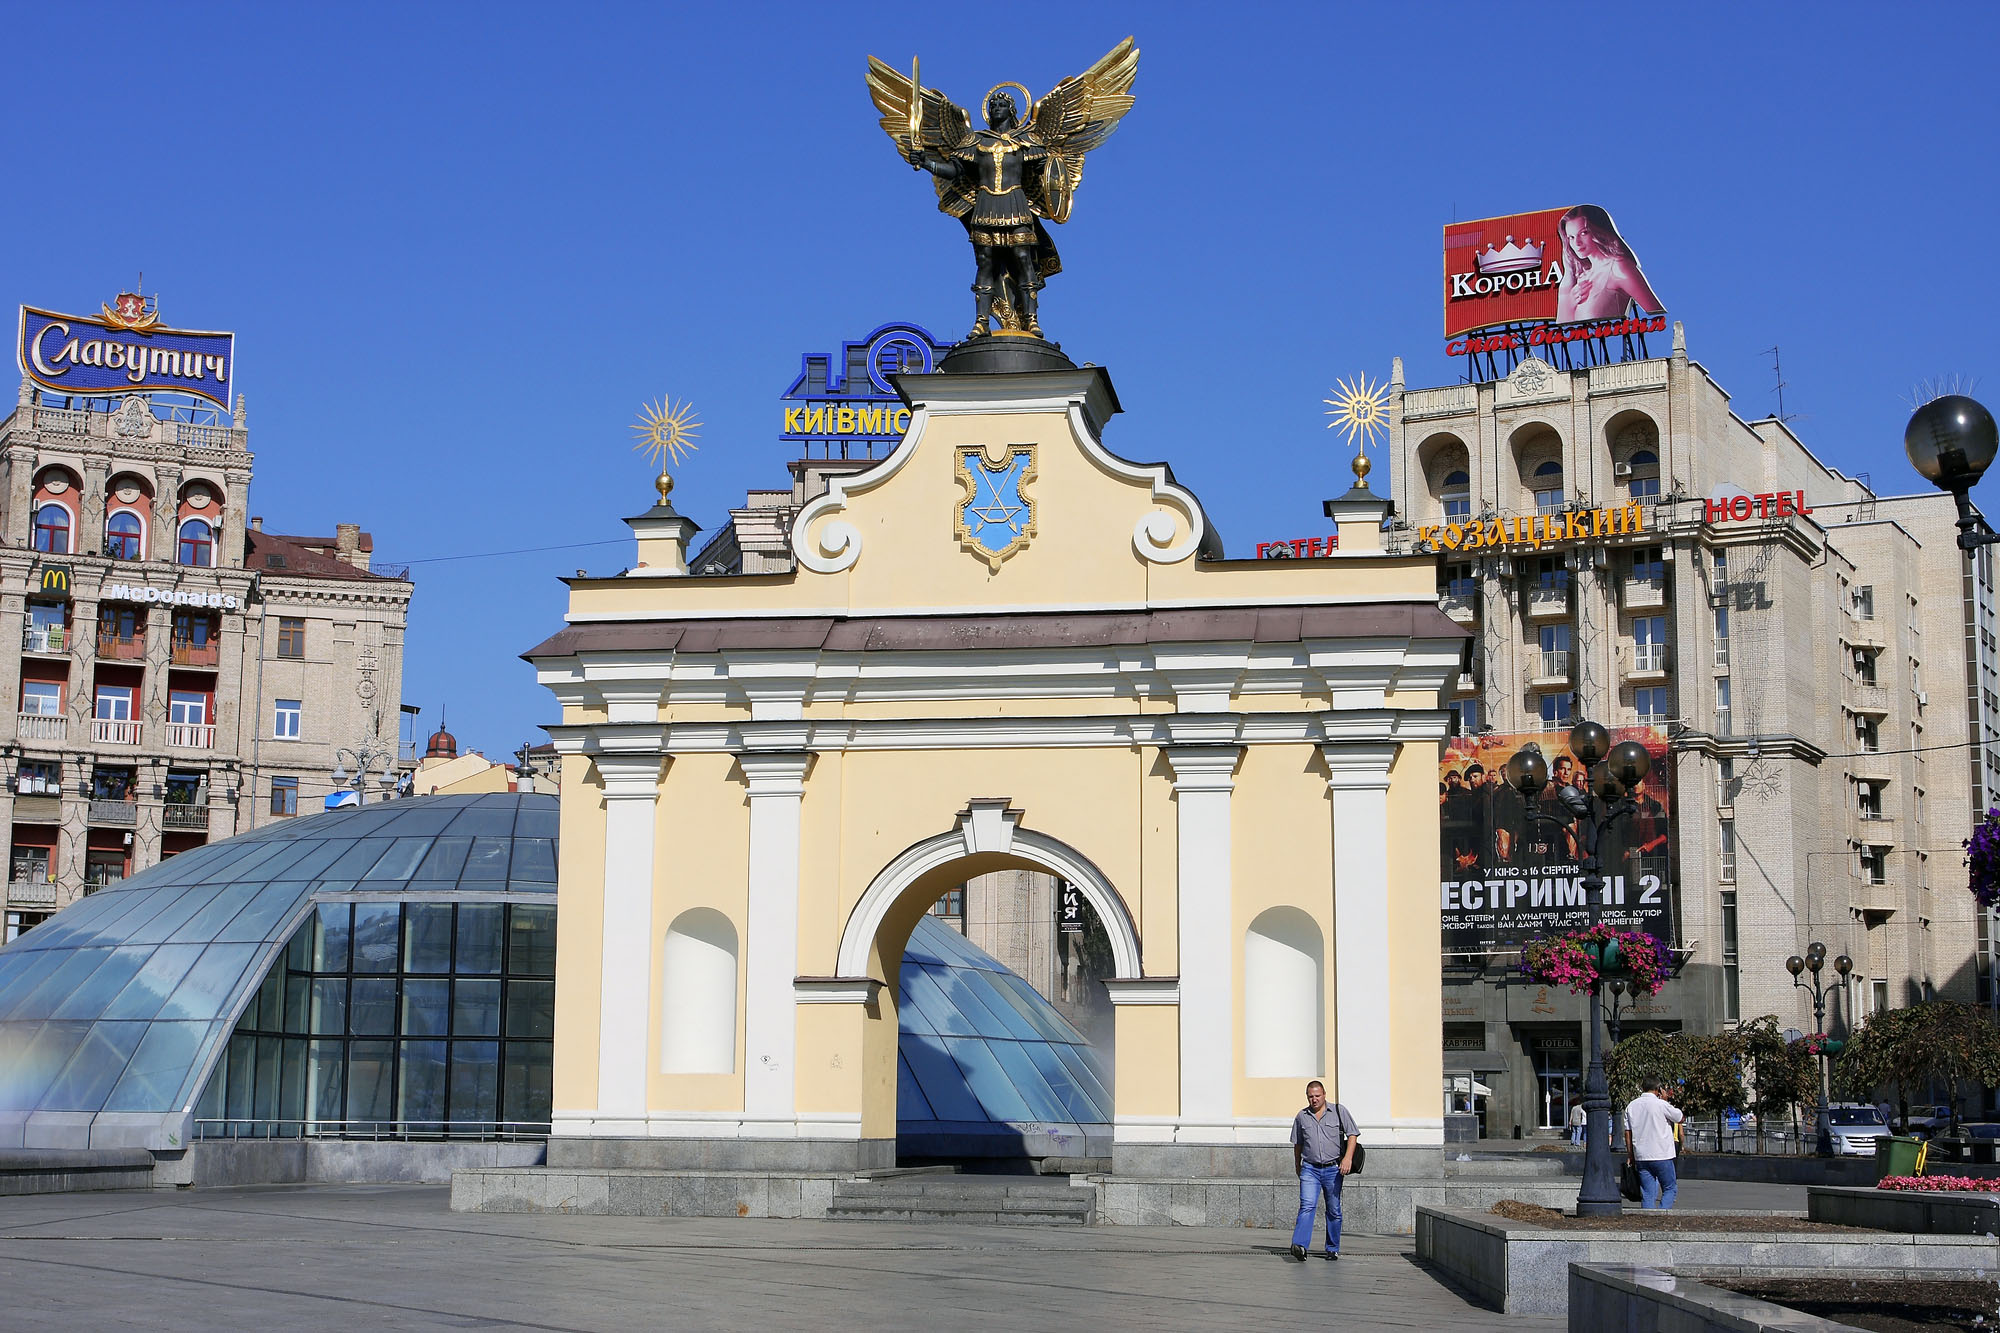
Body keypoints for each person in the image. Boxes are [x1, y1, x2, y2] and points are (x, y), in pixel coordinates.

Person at [1554, 204, 1664, 324]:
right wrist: (1569, 301)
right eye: (1571, 237)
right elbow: (1563, 327)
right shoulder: (1582, 278)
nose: (1577, 242)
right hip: (1590, 340)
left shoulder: (1618, 267)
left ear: (1597, 231)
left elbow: (1656, 313)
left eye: (1584, 233)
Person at [1289, 1079, 1359, 1261]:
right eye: (1310, 1096)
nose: (1314, 1100)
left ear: (1324, 1095)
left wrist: (1348, 1158)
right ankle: (1300, 1246)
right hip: (1310, 1168)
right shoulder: (1301, 1116)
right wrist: (1298, 1165)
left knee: (1334, 1209)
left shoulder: (1338, 1111)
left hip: (1333, 1169)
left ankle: (1332, 1248)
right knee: (1307, 1206)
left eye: (1317, 1096)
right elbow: (1297, 1144)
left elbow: (1352, 1134)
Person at [1625, 1075, 1685, 1209]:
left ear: (1642, 1087)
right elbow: (1680, 1118)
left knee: (1647, 1192)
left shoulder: (1631, 1106)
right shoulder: (1661, 1104)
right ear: (1658, 1089)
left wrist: (1630, 1154)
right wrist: (1665, 1100)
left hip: (1641, 1155)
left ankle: (1648, 1217)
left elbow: (1628, 1132)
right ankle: (1663, 1214)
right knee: (1669, 1188)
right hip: (1662, 1154)